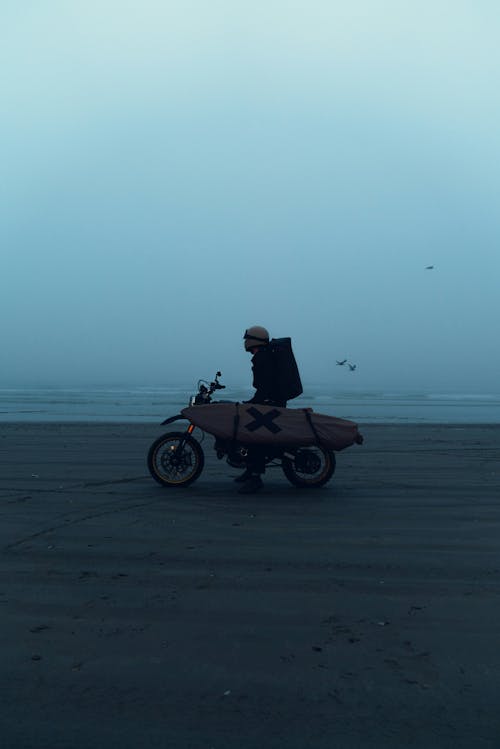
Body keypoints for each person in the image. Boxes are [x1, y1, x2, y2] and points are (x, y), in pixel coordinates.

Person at [236, 326, 286, 494]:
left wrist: (254, 401)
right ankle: (250, 470)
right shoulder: (264, 356)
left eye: (247, 338)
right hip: (273, 402)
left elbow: (265, 386)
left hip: (271, 404)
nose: (245, 342)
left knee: (253, 435)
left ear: (254, 340)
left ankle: (256, 477)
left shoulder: (262, 358)